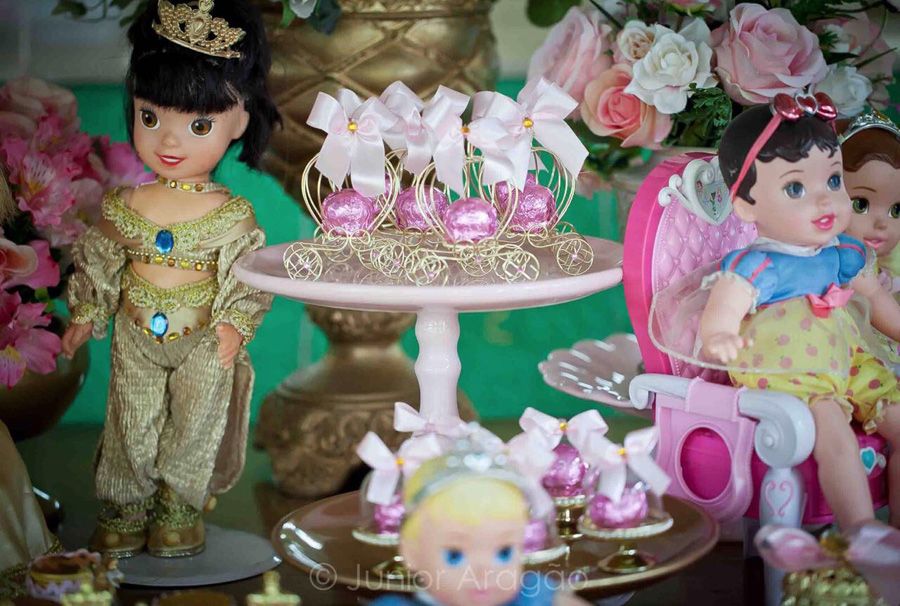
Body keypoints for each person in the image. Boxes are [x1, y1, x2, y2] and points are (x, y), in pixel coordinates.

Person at [61, 0, 279, 558]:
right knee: (129, 416)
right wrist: (87, 312)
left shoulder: (231, 215)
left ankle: (178, 505)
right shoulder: (128, 203)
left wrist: (234, 322)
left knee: (195, 421)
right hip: (135, 328)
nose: (170, 143)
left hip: (204, 336)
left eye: (199, 125)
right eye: (150, 117)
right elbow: (103, 255)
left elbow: (246, 274)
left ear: (239, 121)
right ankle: (124, 506)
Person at [687, 93, 900, 530]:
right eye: (796, 188)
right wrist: (720, 335)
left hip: (846, 358)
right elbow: (724, 310)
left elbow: (878, 303)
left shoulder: (843, 252)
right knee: (832, 430)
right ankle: (861, 530)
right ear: (746, 205)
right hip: (790, 367)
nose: (824, 202)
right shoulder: (758, 264)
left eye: (834, 181)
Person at [371, 442, 588, 606]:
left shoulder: (532, 598)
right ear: (412, 553)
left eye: (504, 553)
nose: (483, 573)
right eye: (454, 555)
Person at [838, 111, 900, 374]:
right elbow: (874, 299)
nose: (882, 223)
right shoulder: (846, 257)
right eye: (861, 205)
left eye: (896, 210)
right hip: (843, 350)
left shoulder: (870, 258)